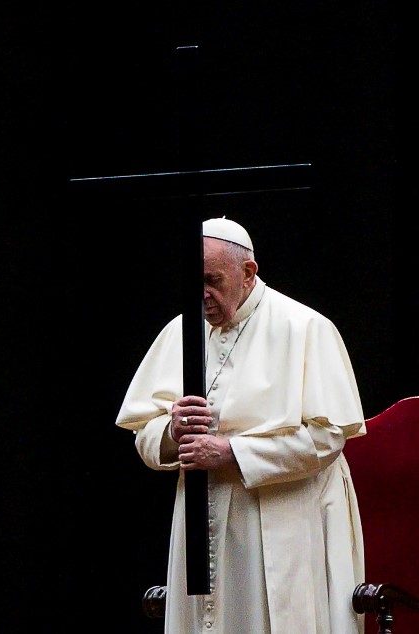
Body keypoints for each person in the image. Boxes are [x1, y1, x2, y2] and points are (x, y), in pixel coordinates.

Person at [115, 217, 367, 633]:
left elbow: (328, 437)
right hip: (200, 520)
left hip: (282, 515)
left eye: (213, 280)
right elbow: (144, 434)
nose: (203, 295)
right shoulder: (181, 331)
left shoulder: (303, 327)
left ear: (248, 273)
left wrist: (232, 452)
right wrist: (171, 434)